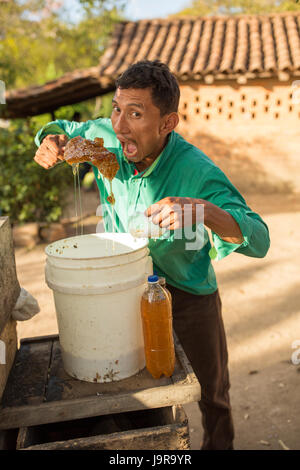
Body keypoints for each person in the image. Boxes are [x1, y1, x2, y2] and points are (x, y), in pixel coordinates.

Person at [34, 60, 270, 450]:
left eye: (136, 113)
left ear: (167, 124)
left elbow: (259, 238)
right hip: (123, 291)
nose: (119, 124)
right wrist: (51, 141)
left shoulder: (196, 170)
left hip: (189, 295)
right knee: (132, 388)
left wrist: (202, 210)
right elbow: (62, 132)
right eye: (116, 108)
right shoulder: (102, 139)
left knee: (211, 393)